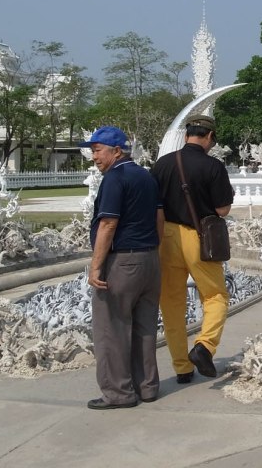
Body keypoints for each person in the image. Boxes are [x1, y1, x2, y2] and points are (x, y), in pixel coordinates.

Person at [151, 114, 234, 382]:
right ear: (209, 137)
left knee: (172, 304)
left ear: (187, 135)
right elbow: (222, 209)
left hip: (166, 237)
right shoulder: (213, 167)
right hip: (197, 238)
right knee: (215, 296)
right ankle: (204, 346)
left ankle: (182, 369)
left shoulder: (162, 165)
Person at [83, 126, 161, 409]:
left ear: (117, 151)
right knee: (145, 327)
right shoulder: (145, 176)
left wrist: (95, 268)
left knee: (111, 328)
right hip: (149, 260)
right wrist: (154, 250)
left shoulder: (115, 178)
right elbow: (159, 217)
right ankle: (147, 387)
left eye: (98, 150)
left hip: (123, 262)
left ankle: (118, 393)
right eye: (92, 151)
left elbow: (108, 223)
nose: (94, 157)